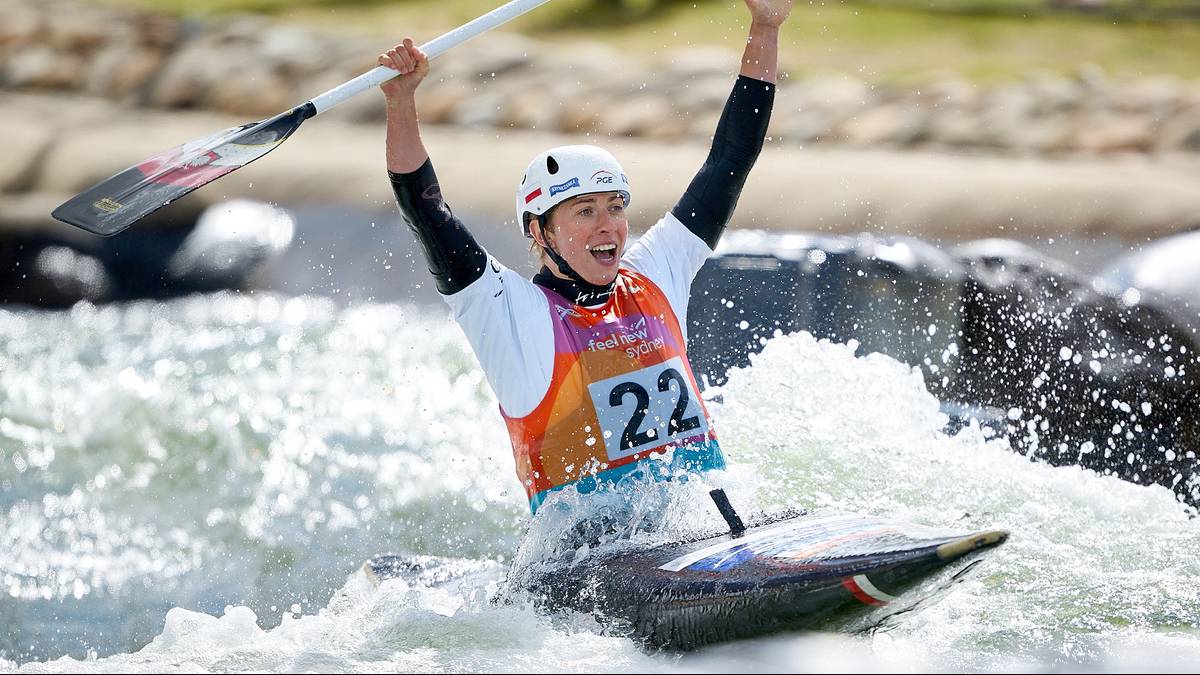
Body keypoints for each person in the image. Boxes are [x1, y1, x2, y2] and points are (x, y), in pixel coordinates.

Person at [381, 0, 794, 518]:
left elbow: (730, 160)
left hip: (703, 528)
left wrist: (765, 25)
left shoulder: (655, 273)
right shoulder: (508, 311)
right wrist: (401, 102)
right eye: (584, 212)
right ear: (541, 231)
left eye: (616, 207)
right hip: (586, 568)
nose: (608, 225)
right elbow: (428, 213)